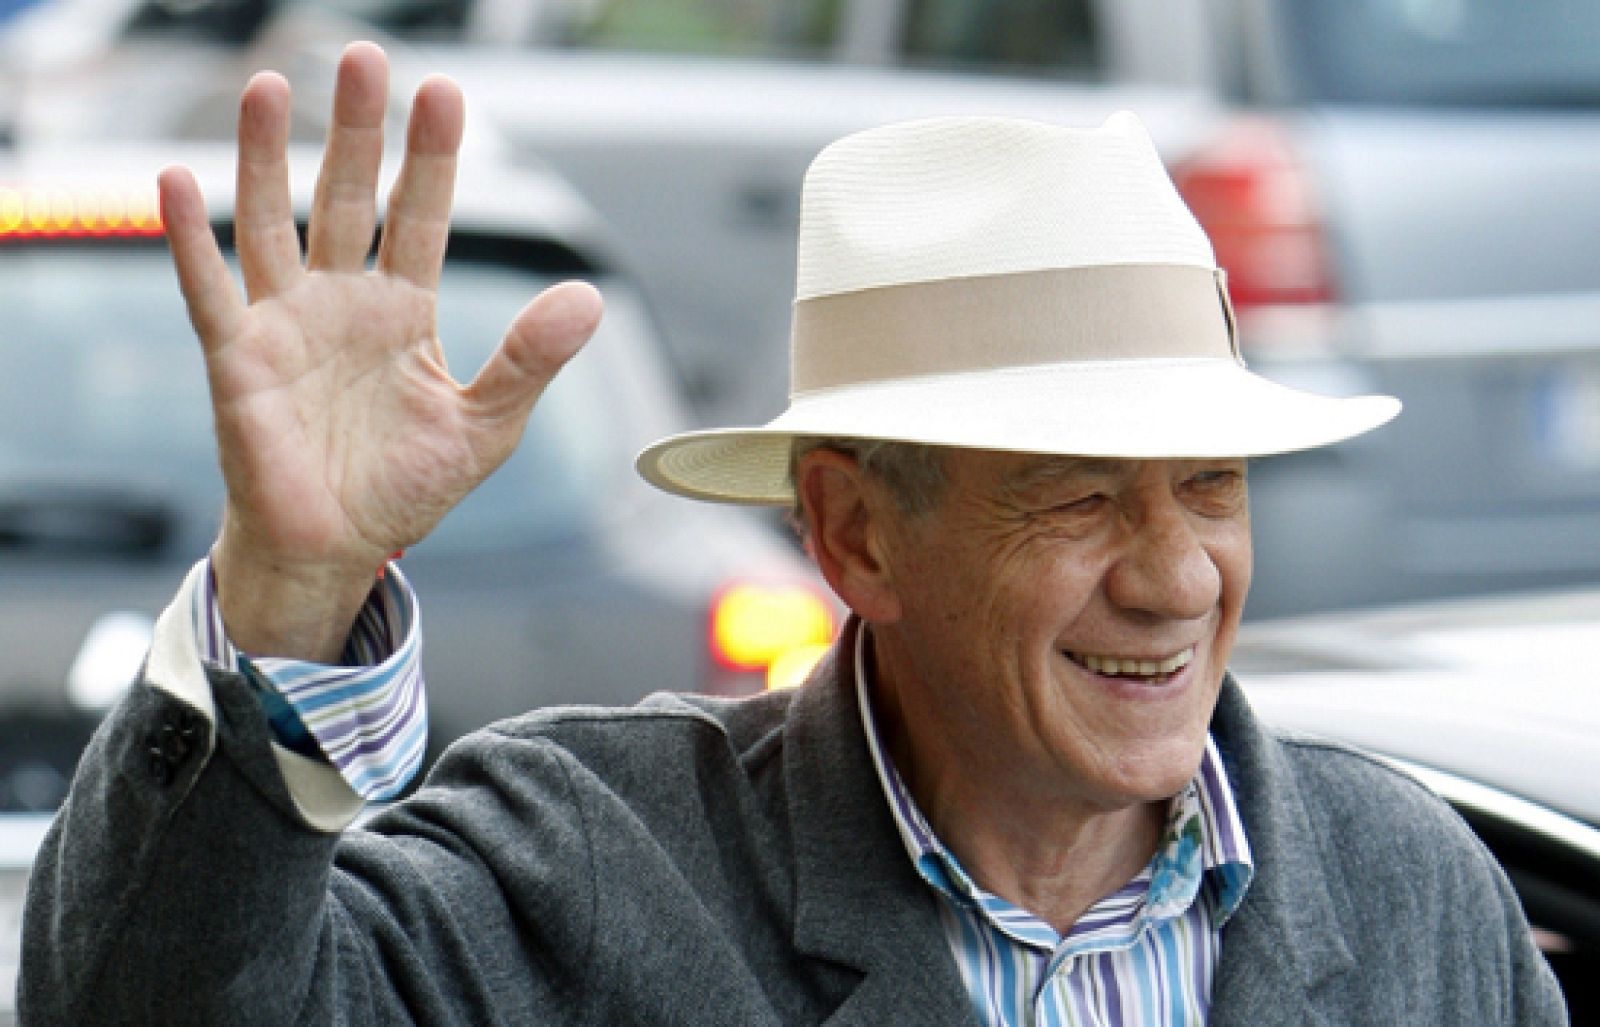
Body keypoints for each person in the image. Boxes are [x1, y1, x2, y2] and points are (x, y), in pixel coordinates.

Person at [20, 41, 1564, 1026]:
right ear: (852, 533)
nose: (1174, 577)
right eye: (1081, 496)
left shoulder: (1411, 890)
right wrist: (289, 588)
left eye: (1212, 484)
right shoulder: (587, 866)